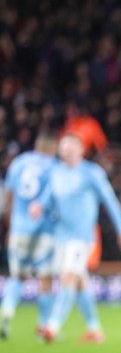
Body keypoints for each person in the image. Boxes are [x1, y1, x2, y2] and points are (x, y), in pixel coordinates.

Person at [31, 133, 121, 343]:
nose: (65, 152)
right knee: (80, 282)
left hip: (82, 237)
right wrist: (39, 205)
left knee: (68, 276)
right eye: (63, 149)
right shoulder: (56, 172)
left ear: (80, 150)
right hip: (61, 237)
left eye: (69, 149)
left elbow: (111, 202)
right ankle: (94, 329)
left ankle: (52, 326)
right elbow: (49, 195)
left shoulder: (91, 173)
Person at [0, 135, 58, 339]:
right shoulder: (53, 166)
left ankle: (6, 314)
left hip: (19, 229)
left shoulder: (19, 162)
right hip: (44, 230)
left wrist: (9, 226)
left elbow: (8, 196)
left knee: (17, 276)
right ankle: (44, 325)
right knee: (45, 278)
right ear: (52, 147)